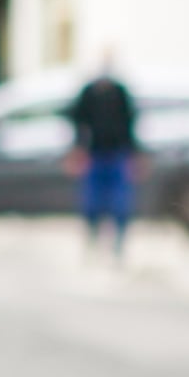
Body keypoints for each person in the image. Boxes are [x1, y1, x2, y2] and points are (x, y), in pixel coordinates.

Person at [65, 58, 139, 254]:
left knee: (120, 202)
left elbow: (130, 125)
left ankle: (118, 243)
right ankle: (92, 238)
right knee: (92, 201)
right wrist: (78, 150)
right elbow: (78, 123)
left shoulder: (120, 93)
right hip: (95, 153)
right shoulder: (89, 93)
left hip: (117, 153)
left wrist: (134, 154)